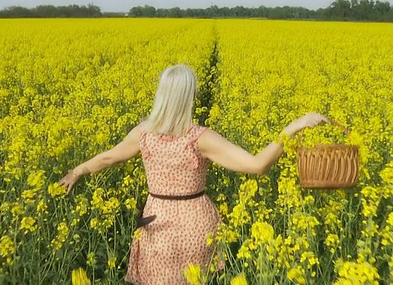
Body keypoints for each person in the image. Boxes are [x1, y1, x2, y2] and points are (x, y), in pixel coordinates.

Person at [58, 64, 330, 284]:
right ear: (190, 96)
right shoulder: (200, 138)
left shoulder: (142, 133)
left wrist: (76, 171)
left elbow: (108, 157)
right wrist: (293, 127)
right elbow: (257, 165)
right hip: (196, 224)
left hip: (157, 223)